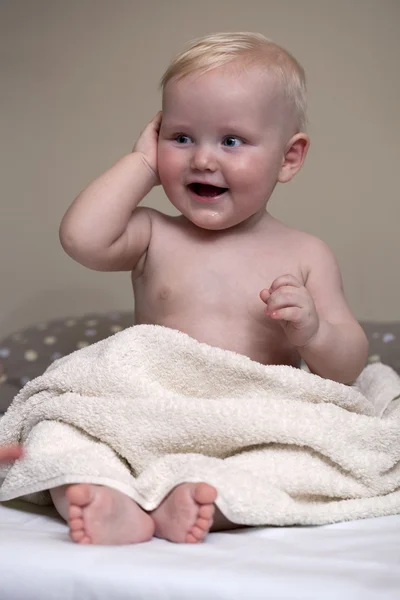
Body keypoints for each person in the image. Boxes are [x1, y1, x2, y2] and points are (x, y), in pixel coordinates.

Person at [54, 32, 368, 545]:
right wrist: (142, 165)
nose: (202, 159)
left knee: (303, 459)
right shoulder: (154, 233)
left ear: (288, 159)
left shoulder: (307, 253)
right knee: (60, 431)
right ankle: (104, 496)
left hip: (249, 426)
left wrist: (312, 331)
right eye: (180, 138)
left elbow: (348, 366)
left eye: (231, 140)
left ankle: (199, 501)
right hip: (149, 414)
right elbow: (81, 238)